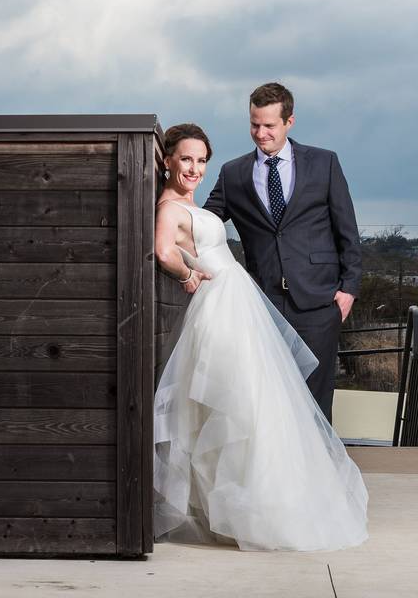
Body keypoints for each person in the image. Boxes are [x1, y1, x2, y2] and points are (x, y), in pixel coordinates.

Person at [153, 123, 367, 551]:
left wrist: (348, 284)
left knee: (258, 404)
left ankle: (263, 503)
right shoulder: (170, 208)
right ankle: (248, 509)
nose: (194, 168)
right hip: (220, 306)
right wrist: (189, 273)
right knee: (241, 404)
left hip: (239, 303)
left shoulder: (190, 201)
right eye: (186, 159)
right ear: (167, 160)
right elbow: (163, 252)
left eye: (200, 160)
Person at [204, 82, 362, 423]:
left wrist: (349, 289)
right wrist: (173, 204)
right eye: (254, 124)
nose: (260, 134)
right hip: (263, 303)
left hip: (320, 301)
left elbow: (347, 231)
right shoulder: (233, 174)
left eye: (269, 126)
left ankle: (319, 474)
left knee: (316, 401)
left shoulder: (324, 163)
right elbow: (206, 222)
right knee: (266, 397)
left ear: (289, 122)